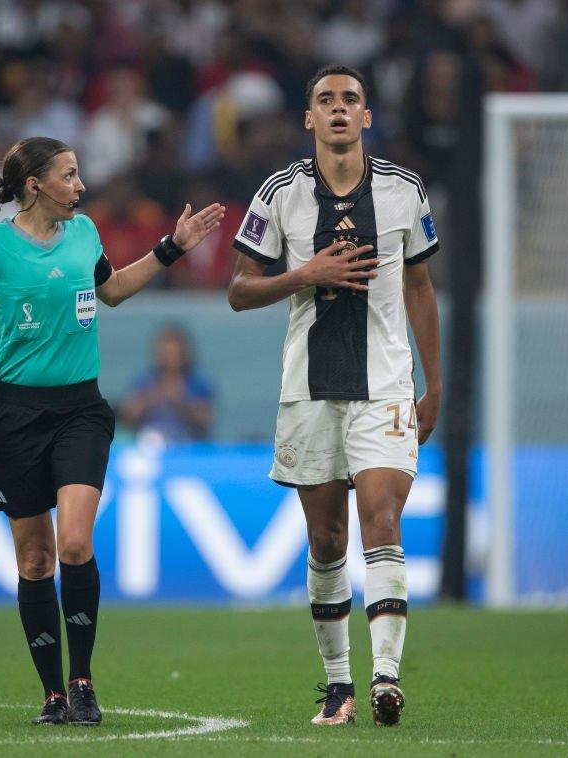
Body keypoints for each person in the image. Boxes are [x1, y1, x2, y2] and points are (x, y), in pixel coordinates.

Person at [0, 137, 224, 725]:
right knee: (35, 559)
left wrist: (170, 249)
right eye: (70, 175)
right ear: (35, 184)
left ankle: (83, 680)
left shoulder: (85, 232)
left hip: (80, 412)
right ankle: (52, 695)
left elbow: (111, 290)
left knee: (73, 544)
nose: (81, 185)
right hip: (14, 417)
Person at [227, 64, 441, 728]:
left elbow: (419, 289)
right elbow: (239, 289)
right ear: (309, 119)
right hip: (310, 390)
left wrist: (434, 384)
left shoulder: (404, 191)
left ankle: (384, 680)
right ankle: (338, 687)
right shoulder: (280, 193)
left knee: (381, 520)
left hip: (386, 386)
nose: (341, 108)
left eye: (352, 99)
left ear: (367, 116)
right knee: (325, 541)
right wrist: (306, 274)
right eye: (327, 100)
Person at [117, 324, 215, 442]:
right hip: (149, 444)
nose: (168, 358)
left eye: (172, 353)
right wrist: (152, 397)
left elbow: (206, 417)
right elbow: (128, 416)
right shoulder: (144, 381)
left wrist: (180, 401)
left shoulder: (198, 383)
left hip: (188, 446)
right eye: (165, 352)